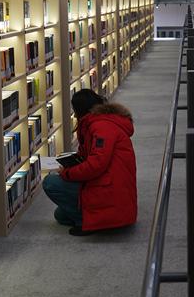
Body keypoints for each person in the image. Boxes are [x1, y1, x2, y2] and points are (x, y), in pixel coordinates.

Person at [43, 89, 137, 236]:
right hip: (111, 185)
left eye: (75, 111)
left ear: (80, 110)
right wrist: (73, 161)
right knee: (60, 215)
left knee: (50, 182)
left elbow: (96, 165)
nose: (74, 115)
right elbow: (91, 154)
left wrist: (67, 173)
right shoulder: (99, 121)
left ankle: (88, 223)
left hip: (109, 189)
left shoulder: (101, 127)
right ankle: (93, 217)